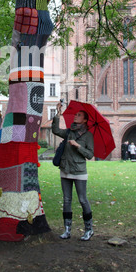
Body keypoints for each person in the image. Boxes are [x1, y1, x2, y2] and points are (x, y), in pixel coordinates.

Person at [52, 102, 94, 241]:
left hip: (79, 171)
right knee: (67, 200)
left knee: (82, 200)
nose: (76, 116)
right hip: (65, 169)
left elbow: (90, 155)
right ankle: (67, 230)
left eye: (79, 115)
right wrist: (57, 114)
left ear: (85, 120)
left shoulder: (88, 136)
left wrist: (77, 146)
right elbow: (56, 130)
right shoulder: (69, 132)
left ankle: (89, 229)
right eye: (75, 114)